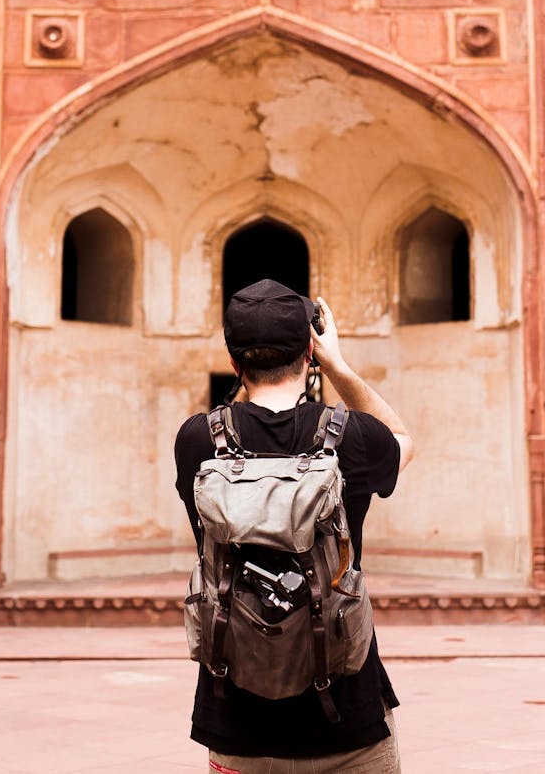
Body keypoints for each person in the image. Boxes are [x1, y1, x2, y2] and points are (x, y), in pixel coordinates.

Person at [174, 278, 414, 774]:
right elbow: (402, 436)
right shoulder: (353, 438)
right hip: (346, 718)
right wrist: (339, 368)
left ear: (234, 361)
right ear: (310, 352)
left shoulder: (197, 442)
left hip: (236, 718)